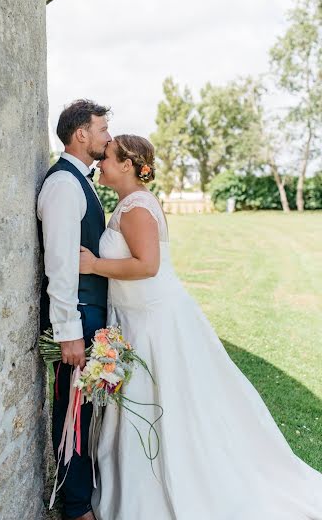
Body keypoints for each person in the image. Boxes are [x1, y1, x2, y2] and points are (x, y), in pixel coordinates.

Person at [79, 134, 322, 520]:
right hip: (136, 318)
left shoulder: (138, 207)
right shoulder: (128, 203)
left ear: (127, 165)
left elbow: (147, 266)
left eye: (106, 157)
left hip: (155, 323)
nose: (100, 162)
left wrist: (93, 265)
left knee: (171, 403)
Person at [37, 100, 112, 520]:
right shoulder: (65, 185)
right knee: (73, 413)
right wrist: (69, 330)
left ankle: (83, 496)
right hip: (77, 317)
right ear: (80, 134)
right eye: (102, 128)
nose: (107, 136)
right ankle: (77, 508)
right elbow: (61, 265)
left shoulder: (78, 181)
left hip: (88, 315)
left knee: (84, 410)